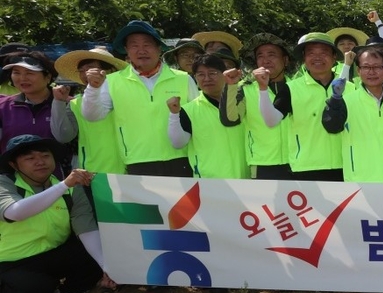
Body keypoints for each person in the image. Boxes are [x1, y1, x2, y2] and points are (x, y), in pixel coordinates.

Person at [0, 135, 112, 293]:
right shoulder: (4, 183)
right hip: (10, 263)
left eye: (45, 155)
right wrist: (64, 185)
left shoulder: (69, 188)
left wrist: (106, 266)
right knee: (34, 289)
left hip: (52, 253)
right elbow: (15, 212)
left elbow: (85, 227)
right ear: (14, 164)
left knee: (97, 250)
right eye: (29, 158)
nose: (40, 161)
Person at [81, 20, 197, 177]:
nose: (141, 50)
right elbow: (92, 116)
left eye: (147, 44)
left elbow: (197, 120)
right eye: (134, 45)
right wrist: (93, 89)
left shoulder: (184, 79)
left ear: (159, 48)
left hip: (182, 160)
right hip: (137, 163)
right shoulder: (112, 81)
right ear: (127, 51)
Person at [259, 33, 346, 181]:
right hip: (306, 169)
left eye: (324, 53)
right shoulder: (291, 89)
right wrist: (262, 89)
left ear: (334, 58)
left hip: (346, 167)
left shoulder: (349, 88)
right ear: (304, 59)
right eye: (311, 53)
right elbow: (271, 121)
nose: (317, 57)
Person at [322, 44, 383, 184]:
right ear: (358, 70)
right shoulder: (346, 100)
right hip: (360, 179)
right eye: (366, 67)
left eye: (377, 67)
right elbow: (331, 126)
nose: (371, 72)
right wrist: (334, 100)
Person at [217, 33, 296, 180]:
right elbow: (229, 119)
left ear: (285, 60)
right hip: (263, 164)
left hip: (299, 162)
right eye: (260, 56)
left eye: (272, 55)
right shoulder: (245, 89)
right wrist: (230, 86)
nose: (265, 60)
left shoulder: (298, 86)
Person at [166, 54, 249, 180]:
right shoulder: (189, 110)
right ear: (195, 78)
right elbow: (178, 143)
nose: (207, 78)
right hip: (209, 184)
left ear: (224, 74)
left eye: (212, 73)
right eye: (200, 74)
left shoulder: (243, 102)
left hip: (247, 179)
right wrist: (174, 114)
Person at [51, 48, 128, 175]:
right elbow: (63, 136)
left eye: (91, 68)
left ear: (111, 70)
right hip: (93, 174)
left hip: (132, 170)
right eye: (82, 71)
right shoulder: (76, 103)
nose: (86, 74)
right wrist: (58, 102)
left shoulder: (128, 96)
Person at [0, 51, 62, 177]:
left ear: (48, 77)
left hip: (58, 181)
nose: (23, 78)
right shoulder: (3, 107)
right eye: (16, 73)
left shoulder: (68, 105)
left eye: (30, 73)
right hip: (11, 182)